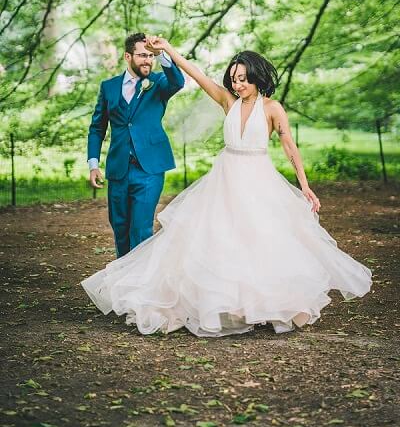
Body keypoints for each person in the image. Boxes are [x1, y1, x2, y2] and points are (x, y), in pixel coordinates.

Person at [82, 38, 372, 336]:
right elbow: (194, 73)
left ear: (256, 77)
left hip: (259, 178)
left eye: (243, 79)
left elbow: (289, 146)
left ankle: (265, 304)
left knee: (262, 238)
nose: (238, 85)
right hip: (226, 176)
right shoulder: (227, 101)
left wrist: (305, 185)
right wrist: (167, 49)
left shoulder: (273, 108)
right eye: (234, 79)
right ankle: (227, 305)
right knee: (220, 239)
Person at [87, 33, 185, 258]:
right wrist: (93, 164)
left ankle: (139, 285)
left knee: (140, 229)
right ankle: (122, 282)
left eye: (150, 56)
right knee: (120, 227)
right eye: (142, 55)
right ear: (127, 56)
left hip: (149, 169)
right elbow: (97, 128)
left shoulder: (160, 82)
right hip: (118, 169)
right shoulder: (108, 87)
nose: (147, 60)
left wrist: (162, 54)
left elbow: (178, 82)